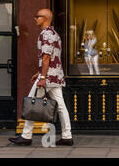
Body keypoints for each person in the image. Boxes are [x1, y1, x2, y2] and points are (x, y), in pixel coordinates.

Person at [9, 9, 73, 146]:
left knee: (31, 103)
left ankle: (26, 136)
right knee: (61, 106)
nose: (35, 19)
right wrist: (39, 72)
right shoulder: (54, 33)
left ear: (44, 18)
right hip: (55, 75)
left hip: (48, 77)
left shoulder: (47, 34)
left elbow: (46, 57)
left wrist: (42, 76)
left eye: (37, 16)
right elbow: (52, 57)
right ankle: (67, 136)